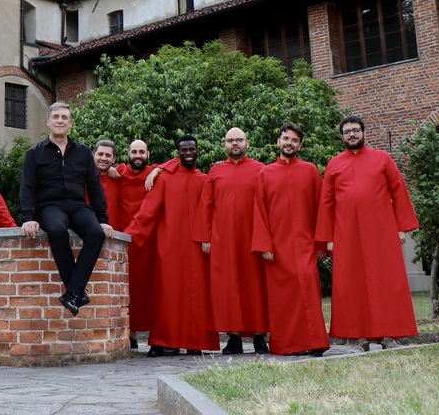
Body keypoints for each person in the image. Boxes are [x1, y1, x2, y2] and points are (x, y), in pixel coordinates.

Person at [315, 116, 420, 350]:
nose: (352, 134)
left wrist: (400, 228)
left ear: (364, 133)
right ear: (341, 137)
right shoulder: (334, 164)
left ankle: (388, 335)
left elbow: (399, 191)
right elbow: (326, 203)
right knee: (351, 284)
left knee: (386, 282)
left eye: (356, 130)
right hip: (347, 234)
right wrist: (328, 239)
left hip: (382, 231)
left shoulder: (382, 158)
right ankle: (358, 336)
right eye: (347, 132)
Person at [126, 136, 217, 356]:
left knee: (197, 297)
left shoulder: (205, 180)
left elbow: (213, 213)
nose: (188, 153)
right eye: (183, 150)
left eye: (192, 149)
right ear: (178, 153)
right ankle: (161, 340)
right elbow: (148, 210)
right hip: (169, 245)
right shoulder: (165, 179)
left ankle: (195, 342)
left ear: (197, 152)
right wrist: (128, 236)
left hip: (197, 247)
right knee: (167, 294)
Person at [19, 101, 112, 316]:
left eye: (64, 118)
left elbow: (95, 186)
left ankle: (72, 293)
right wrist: (28, 217)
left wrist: (102, 218)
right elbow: (27, 187)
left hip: (79, 206)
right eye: (56, 117)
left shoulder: (83, 152)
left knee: (96, 233)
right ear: (48, 121)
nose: (60, 120)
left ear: (70, 124)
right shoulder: (34, 153)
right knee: (57, 230)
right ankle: (76, 291)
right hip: (50, 206)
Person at [252, 123, 330, 356]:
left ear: (300, 145)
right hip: (277, 246)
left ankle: (315, 343)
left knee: (308, 287)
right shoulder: (265, 174)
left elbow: (321, 209)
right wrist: (264, 245)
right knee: (282, 297)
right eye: (286, 138)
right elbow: (259, 211)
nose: (289, 143)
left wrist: (321, 243)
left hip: (306, 243)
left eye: (294, 140)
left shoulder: (310, 171)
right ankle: (287, 346)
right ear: (278, 142)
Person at [196, 127, 269, 355]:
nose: (234, 144)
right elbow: (206, 206)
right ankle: (234, 337)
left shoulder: (261, 170)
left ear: (247, 143)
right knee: (227, 287)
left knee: (255, 285)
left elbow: (269, 205)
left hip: (252, 236)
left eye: (239, 140)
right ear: (225, 144)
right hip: (223, 238)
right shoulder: (215, 171)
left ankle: (259, 335)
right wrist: (205, 238)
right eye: (230, 140)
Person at [116, 138, 159, 348]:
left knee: (150, 290)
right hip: (124, 239)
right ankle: (130, 335)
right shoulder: (119, 172)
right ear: (128, 154)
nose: (138, 156)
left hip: (149, 242)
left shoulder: (156, 172)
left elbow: (177, 164)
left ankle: (156, 337)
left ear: (148, 154)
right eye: (134, 152)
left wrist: (159, 170)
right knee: (128, 288)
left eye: (142, 152)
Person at [92, 140, 120, 230]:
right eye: (100, 154)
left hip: (114, 236)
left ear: (114, 159)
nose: (103, 158)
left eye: (108, 155)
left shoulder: (119, 176)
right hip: (85, 234)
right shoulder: (81, 177)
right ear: (93, 155)